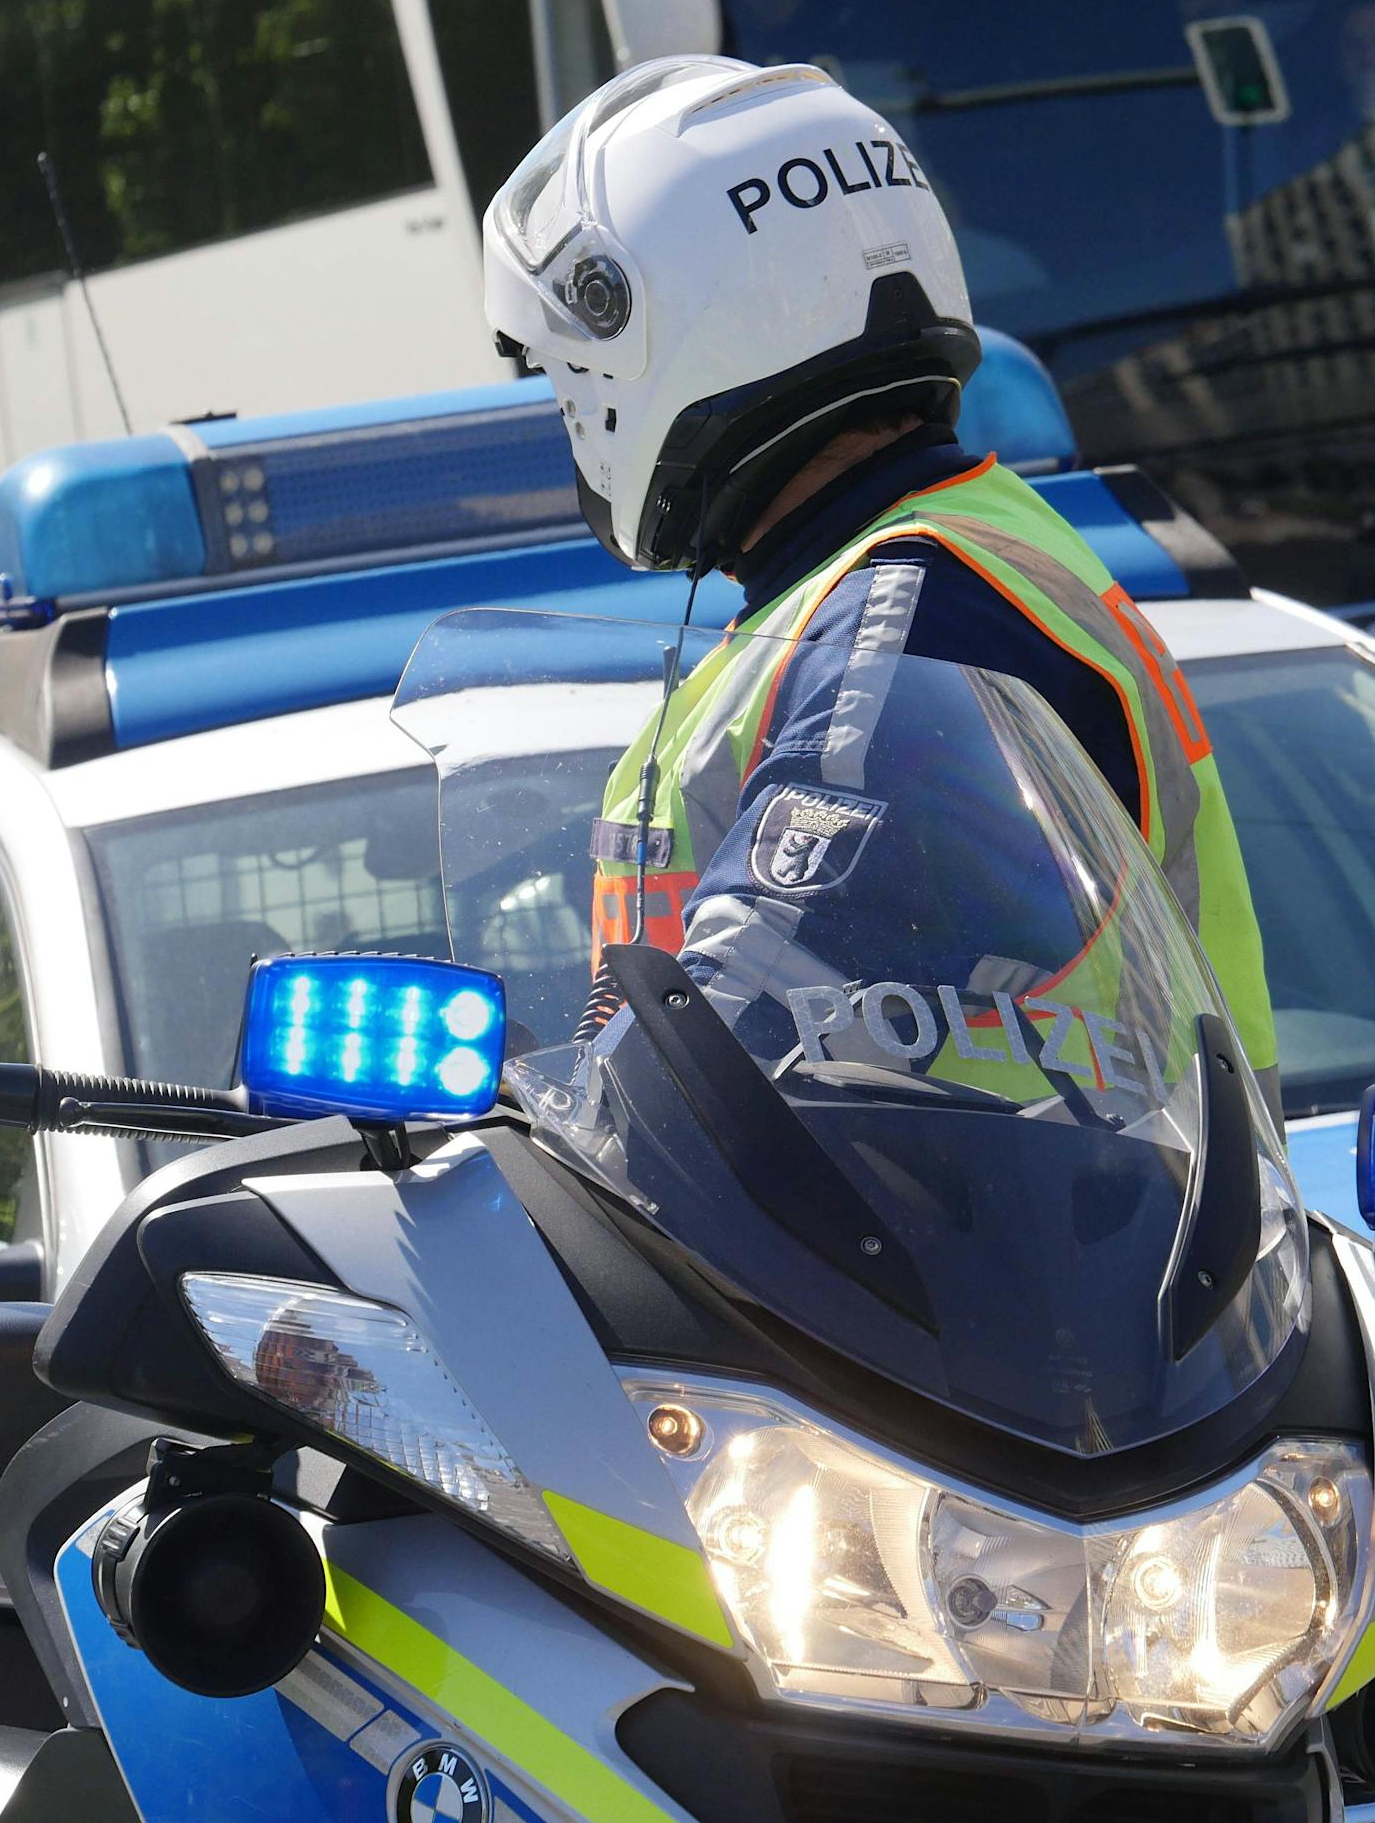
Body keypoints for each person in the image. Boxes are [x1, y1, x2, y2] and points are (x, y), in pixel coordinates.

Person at [481, 54, 1281, 1118]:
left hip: (998, 1265)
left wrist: (561, 1106)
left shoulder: (910, 614)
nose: (570, 423)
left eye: (566, 379)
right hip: (1027, 1250)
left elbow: (746, 1003)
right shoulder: (913, 577)